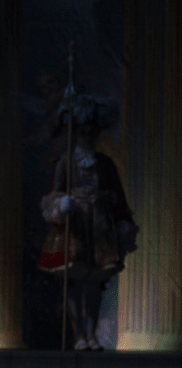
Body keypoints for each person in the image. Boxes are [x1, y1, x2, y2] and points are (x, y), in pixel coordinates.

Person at [38, 93, 138, 350]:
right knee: (72, 281)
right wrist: (62, 203)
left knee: (94, 283)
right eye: (83, 133)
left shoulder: (105, 163)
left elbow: (118, 196)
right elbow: (54, 194)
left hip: (100, 229)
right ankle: (79, 334)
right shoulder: (66, 161)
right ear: (75, 134)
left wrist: (123, 221)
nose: (88, 138)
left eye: (92, 133)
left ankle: (91, 334)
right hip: (73, 228)